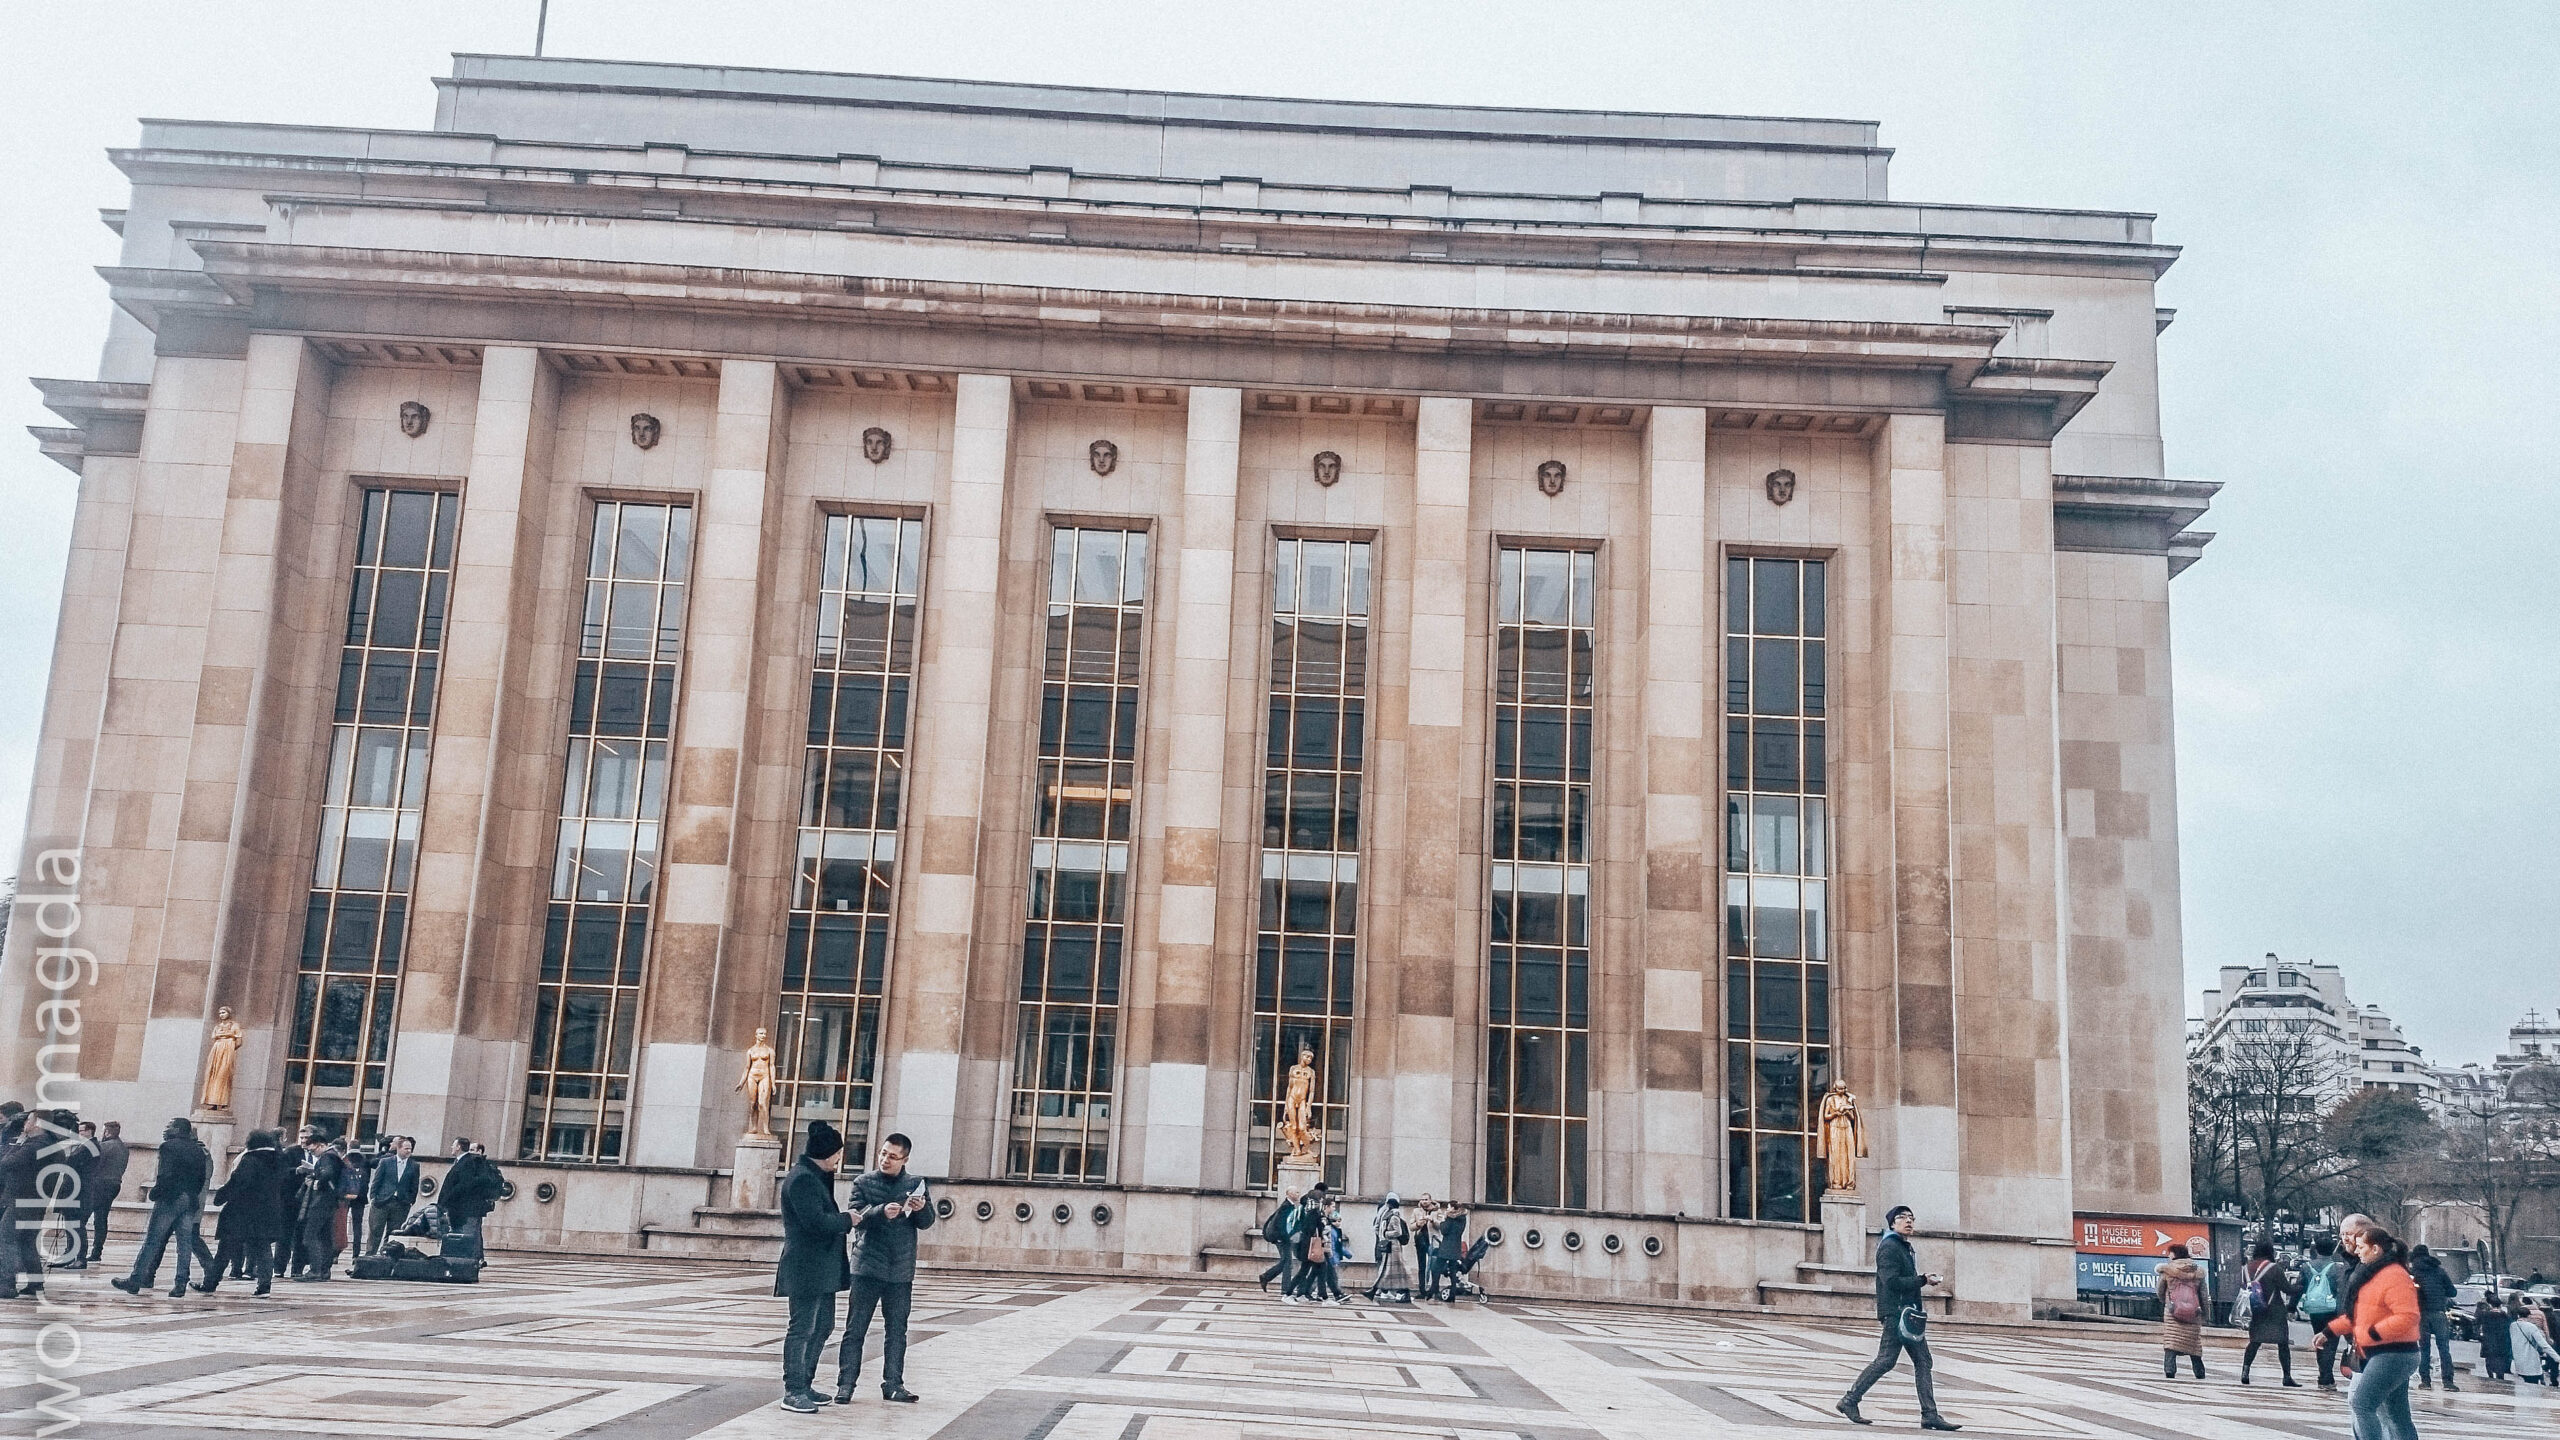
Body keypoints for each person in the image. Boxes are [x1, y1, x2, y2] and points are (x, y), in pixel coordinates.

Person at [1836, 1205, 1959, 1430]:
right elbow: (1891, 1281)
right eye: (1902, 1218)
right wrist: (1922, 1279)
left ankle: (1929, 1414)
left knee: (1921, 1361)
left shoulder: (1903, 1247)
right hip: (1897, 1313)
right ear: (1892, 1223)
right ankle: (1849, 1400)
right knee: (1887, 1360)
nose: (1908, 1221)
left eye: (1911, 1217)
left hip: (1908, 1313)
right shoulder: (1889, 1247)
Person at [836, 1132, 933, 1405]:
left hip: (900, 1270)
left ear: (905, 1159)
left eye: (892, 1156)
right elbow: (855, 1217)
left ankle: (893, 1384)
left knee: (897, 1331)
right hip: (867, 1266)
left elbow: (926, 1222)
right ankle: (845, 1385)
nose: (885, 1159)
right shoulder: (863, 1182)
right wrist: (880, 1212)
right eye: (883, 1153)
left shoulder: (916, 1184)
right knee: (855, 1330)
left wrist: (922, 1207)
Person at [774, 1119, 851, 1413]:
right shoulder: (803, 1179)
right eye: (837, 1155)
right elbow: (816, 1224)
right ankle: (793, 1390)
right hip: (806, 1266)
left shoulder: (815, 1176)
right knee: (802, 1328)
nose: (838, 1161)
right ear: (826, 1153)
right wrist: (848, 1220)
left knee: (823, 1325)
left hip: (822, 1268)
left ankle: (804, 1383)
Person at [2328, 1217, 2420, 1440]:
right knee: (2395, 1413)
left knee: (2361, 1404)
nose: (2354, 1249)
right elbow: (2358, 1314)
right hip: (2378, 1350)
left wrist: (2374, 1332)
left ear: (2375, 1248)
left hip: (2391, 1351)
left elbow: (2408, 1316)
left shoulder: (2391, 1274)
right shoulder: (2367, 1271)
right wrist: (2329, 1332)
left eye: (2359, 1245)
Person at [110, 1117, 215, 1297]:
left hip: (170, 1198)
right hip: (190, 1199)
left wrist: (157, 1192)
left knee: (153, 1240)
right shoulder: (199, 1151)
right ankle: (180, 1283)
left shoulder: (169, 1147)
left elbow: (165, 1174)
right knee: (185, 1243)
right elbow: (201, 1179)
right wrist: (191, 1195)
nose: (165, 1129)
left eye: (169, 1126)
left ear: (178, 1129)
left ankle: (136, 1279)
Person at [204, 1129, 292, 1296]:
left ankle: (210, 1282)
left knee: (225, 1249)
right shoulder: (280, 1160)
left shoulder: (251, 1159)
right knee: (263, 1249)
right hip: (268, 1211)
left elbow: (238, 1182)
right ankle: (264, 1286)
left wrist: (220, 1197)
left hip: (243, 1212)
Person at [2238, 1241, 2300, 1386]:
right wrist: (2299, 1287)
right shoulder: (2274, 1268)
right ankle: (2286, 1377)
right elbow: (2287, 1289)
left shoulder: (2245, 1269)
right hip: (2274, 1310)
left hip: (2255, 1310)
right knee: (2283, 1344)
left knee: (2254, 1342)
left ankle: (2245, 1372)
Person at [288, 1128, 345, 1281]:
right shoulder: (334, 1156)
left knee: (310, 1236)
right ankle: (324, 1270)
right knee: (325, 1237)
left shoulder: (327, 1157)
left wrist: (317, 1183)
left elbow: (327, 1174)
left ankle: (315, 1270)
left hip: (321, 1202)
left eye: (312, 1149)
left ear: (320, 1145)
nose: (312, 1152)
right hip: (331, 1202)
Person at [438, 1137, 502, 1260]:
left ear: (458, 1147)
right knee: (473, 1234)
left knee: (468, 1235)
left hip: (466, 1208)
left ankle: (468, 1262)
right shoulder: (464, 1162)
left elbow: (464, 1185)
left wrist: (447, 1198)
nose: (451, 1147)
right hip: (465, 1208)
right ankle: (474, 1260)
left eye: (453, 1145)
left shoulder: (467, 1162)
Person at [2299, 1235, 2349, 1390]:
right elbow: (2342, 1290)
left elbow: (2300, 1287)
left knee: (2319, 1341)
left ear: (2316, 1249)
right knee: (2330, 1344)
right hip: (2332, 1309)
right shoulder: (2337, 1268)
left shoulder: (2306, 1267)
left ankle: (2325, 1376)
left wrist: (2291, 1306)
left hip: (2314, 1310)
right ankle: (2325, 1378)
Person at [2154, 1241, 2209, 1379]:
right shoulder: (2198, 1272)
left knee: (2171, 1342)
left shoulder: (2167, 1271)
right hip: (2193, 1313)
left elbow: (2160, 1291)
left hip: (2173, 1311)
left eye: (2170, 1254)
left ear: (2175, 1255)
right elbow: (2203, 1294)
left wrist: (2166, 1301)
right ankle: (2199, 1372)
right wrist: (2205, 1313)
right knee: (2194, 1345)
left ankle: (2170, 1370)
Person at [2407, 1244, 2458, 1389]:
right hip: (2438, 1312)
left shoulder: (2413, 1273)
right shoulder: (2439, 1271)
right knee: (2444, 1348)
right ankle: (2448, 1381)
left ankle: (2425, 1381)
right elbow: (2452, 1292)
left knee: (2424, 1348)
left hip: (2421, 1314)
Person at [366, 1135, 421, 1253]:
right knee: (375, 1231)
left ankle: (386, 1256)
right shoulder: (385, 1162)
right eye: (406, 1148)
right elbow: (377, 1181)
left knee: (393, 1232)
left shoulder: (414, 1165)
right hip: (382, 1201)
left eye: (410, 1149)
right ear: (399, 1149)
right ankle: (369, 1256)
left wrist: (410, 1200)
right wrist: (373, 1197)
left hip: (401, 1203)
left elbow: (414, 1185)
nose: (409, 1151)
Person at [85, 1120, 129, 1265]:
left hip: (100, 1184)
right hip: (115, 1184)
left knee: (84, 1216)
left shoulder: (105, 1146)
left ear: (107, 1132)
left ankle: (80, 1250)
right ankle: (97, 1251)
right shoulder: (124, 1148)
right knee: (101, 1218)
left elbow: (95, 1164)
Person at [1369, 1194, 1413, 1302]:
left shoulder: (1394, 1217)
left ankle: (1399, 1292)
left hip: (1394, 1247)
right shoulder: (1388, 1216)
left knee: (1394, 1270)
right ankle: (1381, 1290)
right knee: (1388, 1270)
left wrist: (1385, 1233)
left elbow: (1398, 1232)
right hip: (1390, 1246)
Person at [1257, 1185, 1301, 1295]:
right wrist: (1285, 1238)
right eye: (1296, 1192)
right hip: (1282, 1239)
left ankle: (1266, 1277)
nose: (1298, 1194)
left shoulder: (1288, 1205)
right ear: (1289, 1194)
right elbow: (1280, 1225)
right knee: (1287, 1263)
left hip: (1282, 1238)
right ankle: (1285, 1289)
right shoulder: (1286, 1206)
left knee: (1285, 1262)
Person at [335, 1138, 372, 1261]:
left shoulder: (344, 1160)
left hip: (345, 1195)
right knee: (357, 1225)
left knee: (340, 1222)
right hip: (360, 1197)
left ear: (349, 1147)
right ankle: (356, 1254)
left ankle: (336, 1253)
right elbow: (367, 1179)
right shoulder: (365, 1161)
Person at [2514, 1301, 2560, 1385]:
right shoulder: (2532, 1327)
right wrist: (2556, 1357)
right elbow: (2544, 1345)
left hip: (2519, 1361)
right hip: (2531, 1361)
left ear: (2518, 1315)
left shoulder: (2513, 1326)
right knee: (2532, 1385)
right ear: (2528, 1316)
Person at [2474, 1293, 2511, 1381]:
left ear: (2490, 1305)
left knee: (2489, 1358)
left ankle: (2490, 1375)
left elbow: (2477, 1324)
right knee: (2500, 1359)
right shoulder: (2505, 1316)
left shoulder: (2486, 1315)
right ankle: (2500, 1375)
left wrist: (2480, 1335)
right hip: (2502, 1340)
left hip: (2488, 1340)